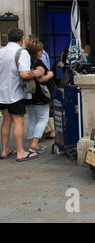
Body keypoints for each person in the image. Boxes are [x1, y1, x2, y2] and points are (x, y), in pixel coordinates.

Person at [0, 28, 43, 162]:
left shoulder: (1, 51)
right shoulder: (21, 52)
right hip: (15, 92)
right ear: (21, 39)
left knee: (6, 120)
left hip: (2, 92)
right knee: (18, 120)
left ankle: (5, 149)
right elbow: (24, 74)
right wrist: (36, 73)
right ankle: (20, 152)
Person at [25, 40, 54, 153]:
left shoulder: (27, 62)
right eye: (41, 50)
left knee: (32, 119)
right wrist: (50, 75)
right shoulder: (38, 63)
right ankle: (35, 143)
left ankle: (31, 143)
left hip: (29, 94)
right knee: (42, 119)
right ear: (37, 52)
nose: (42, 52)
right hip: (40, 95)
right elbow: (40, 78)